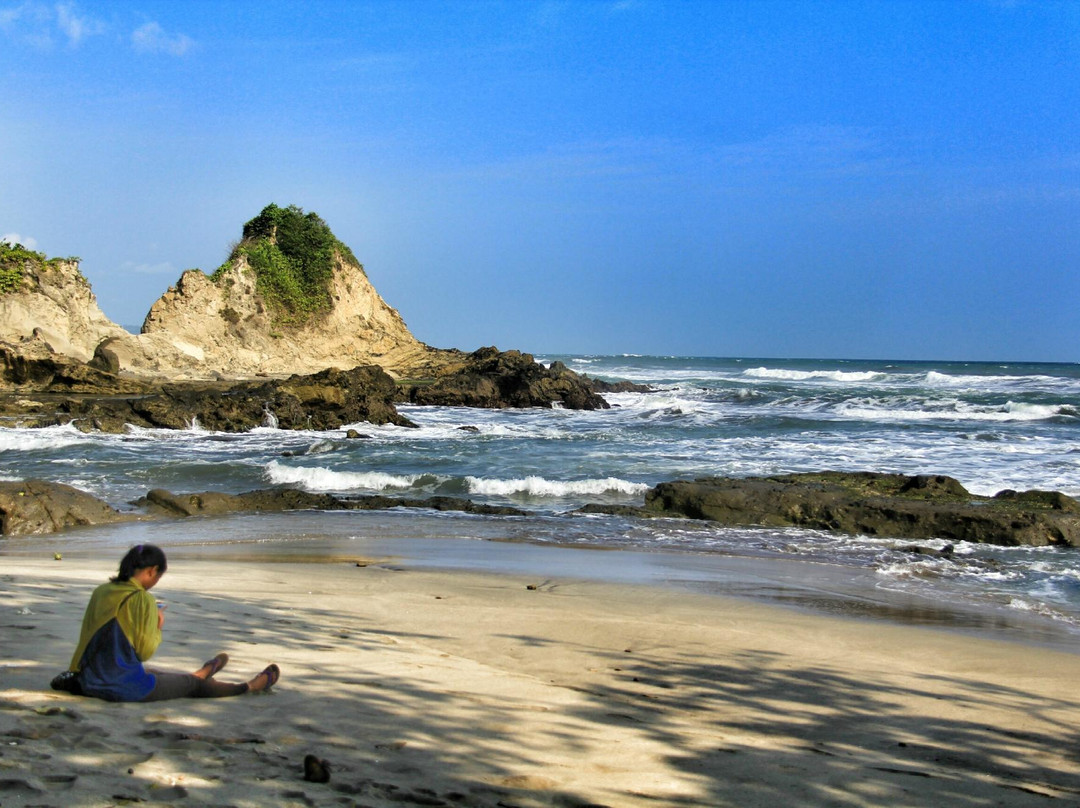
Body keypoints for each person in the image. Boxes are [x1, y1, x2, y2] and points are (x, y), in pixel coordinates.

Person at [54, 544, 279, 702]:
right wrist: (158, 625)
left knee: (153, 672)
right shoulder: (142, 599)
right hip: (120, 687)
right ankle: (249, 686)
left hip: (88, 679)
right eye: (158, 576)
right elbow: (144, 652)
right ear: (152, 571)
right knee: (192, 687)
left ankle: (201, 673)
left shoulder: (101, 591)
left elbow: (87, 636)